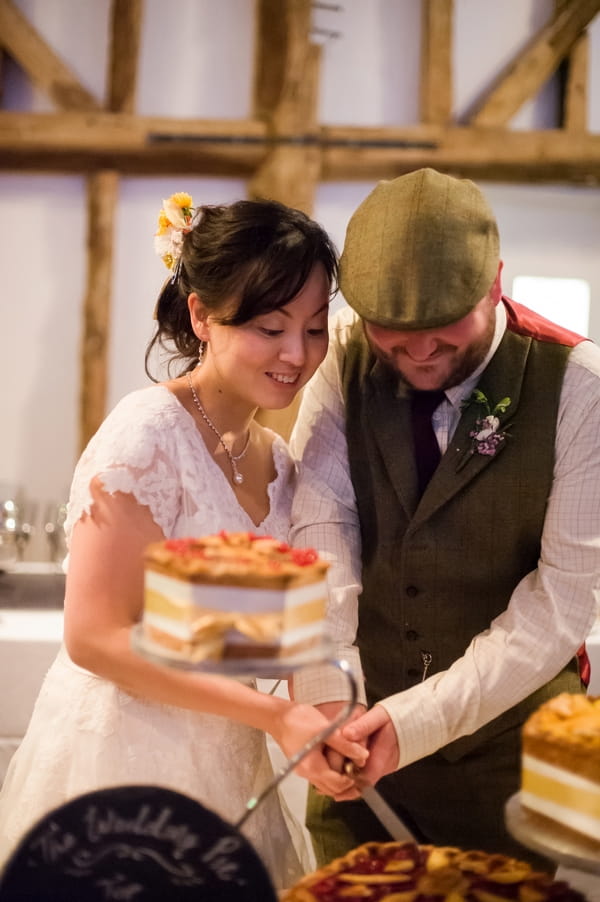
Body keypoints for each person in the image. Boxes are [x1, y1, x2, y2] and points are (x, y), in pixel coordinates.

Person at [0, 193, 367, 889]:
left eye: (316, 328)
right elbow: (96, 639)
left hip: (228, 766)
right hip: (123, 762)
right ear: (201, 314)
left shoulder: (279, 461)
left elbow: (276, 635)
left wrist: (321, 726)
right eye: (270, 327)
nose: (298, 354)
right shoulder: (145, 436)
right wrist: (274, 714)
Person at [289, 168, 600, 870]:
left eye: (443, 327)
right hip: (355, 734)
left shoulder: (580, 387)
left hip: (505, 754)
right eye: (393, 331)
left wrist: (418, 719)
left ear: (495, 280)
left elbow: (559, 606)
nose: (419, 350)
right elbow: (323, 530)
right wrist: (324, 688)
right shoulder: (343, 357)